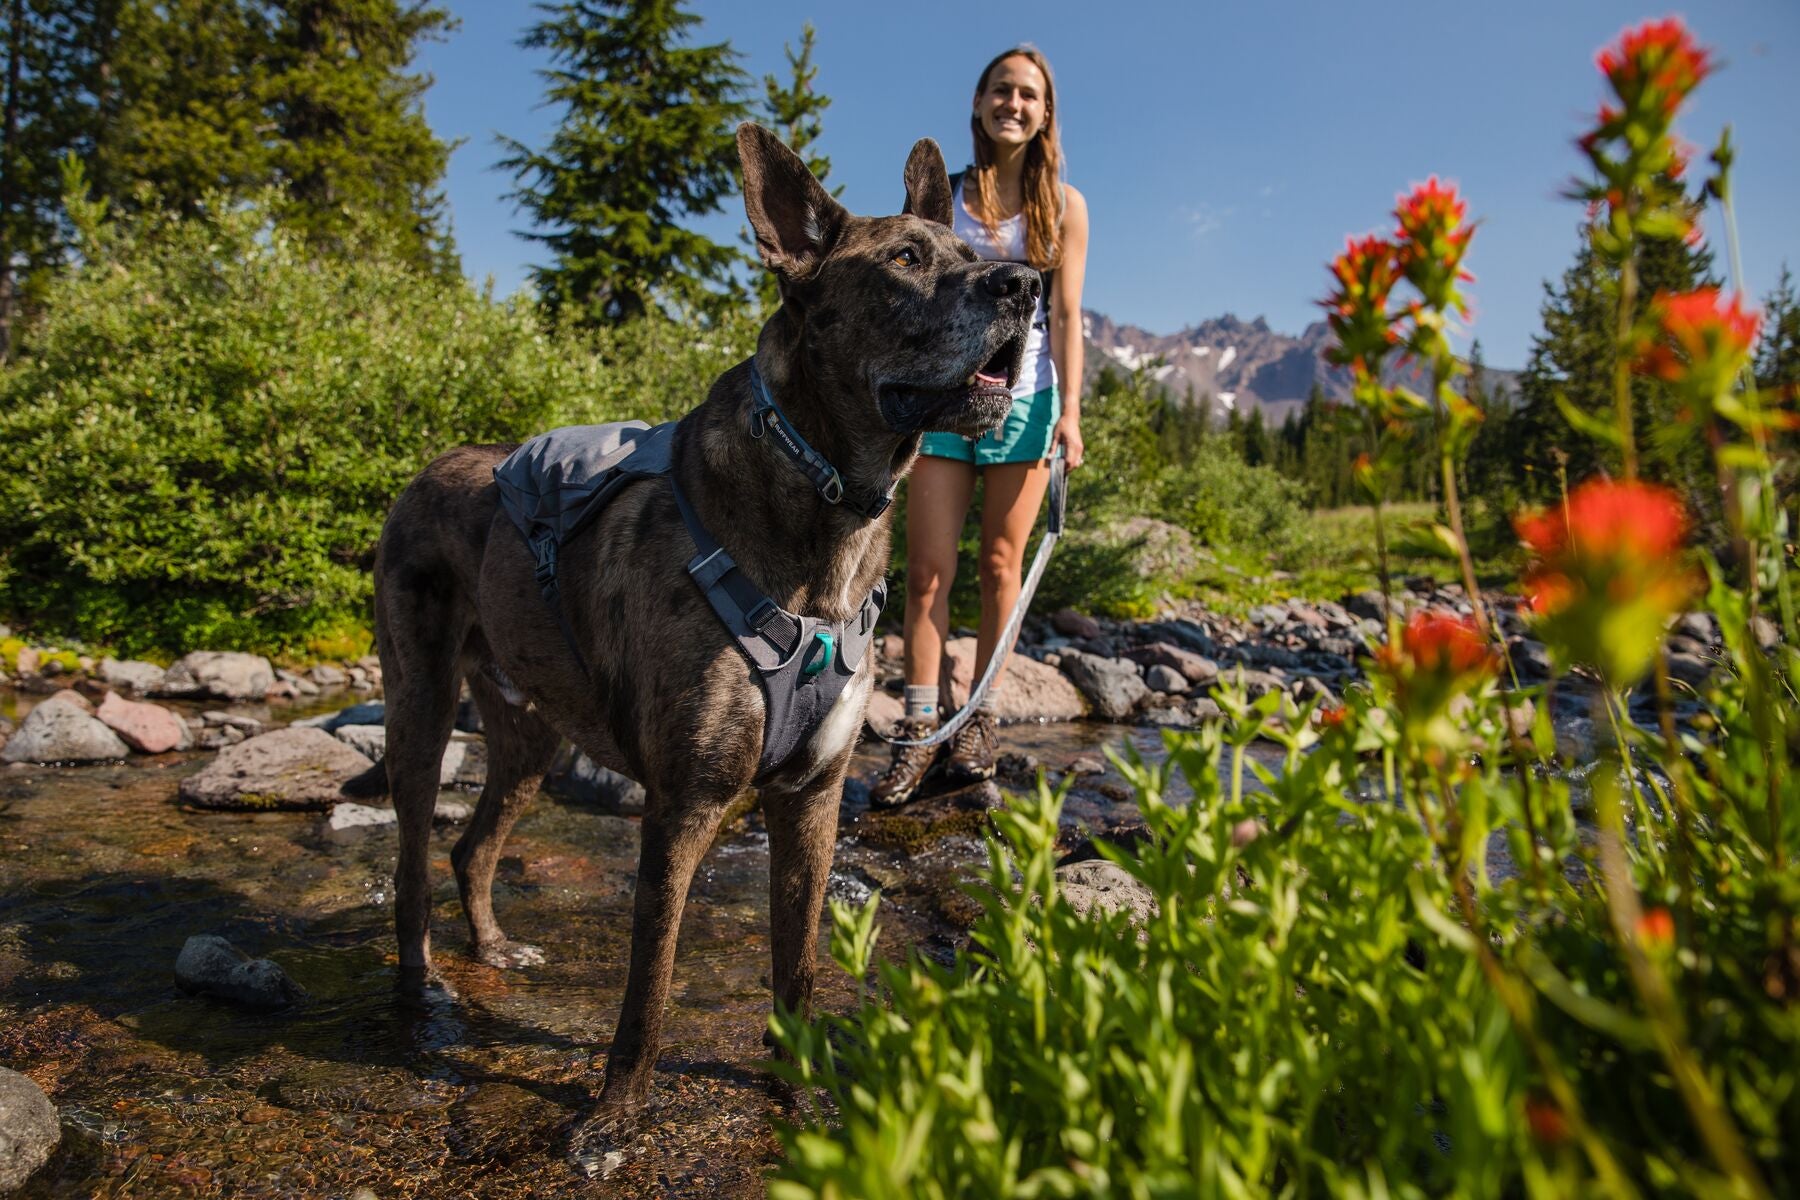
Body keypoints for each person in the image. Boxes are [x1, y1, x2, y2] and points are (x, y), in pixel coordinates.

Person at [873, 44, 1088, 807]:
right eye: (1002, 90)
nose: (1014, 104)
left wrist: (1071, 415)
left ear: (1045, 112)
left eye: (1029, 94)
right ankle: (918, 729)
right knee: (928, 571)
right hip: (942, 398)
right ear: (978, 102)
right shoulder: (946, 198)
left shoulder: (1064, 206)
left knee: (1002, 564)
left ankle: (978, 721)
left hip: (1026, 399)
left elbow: (1066, 316)